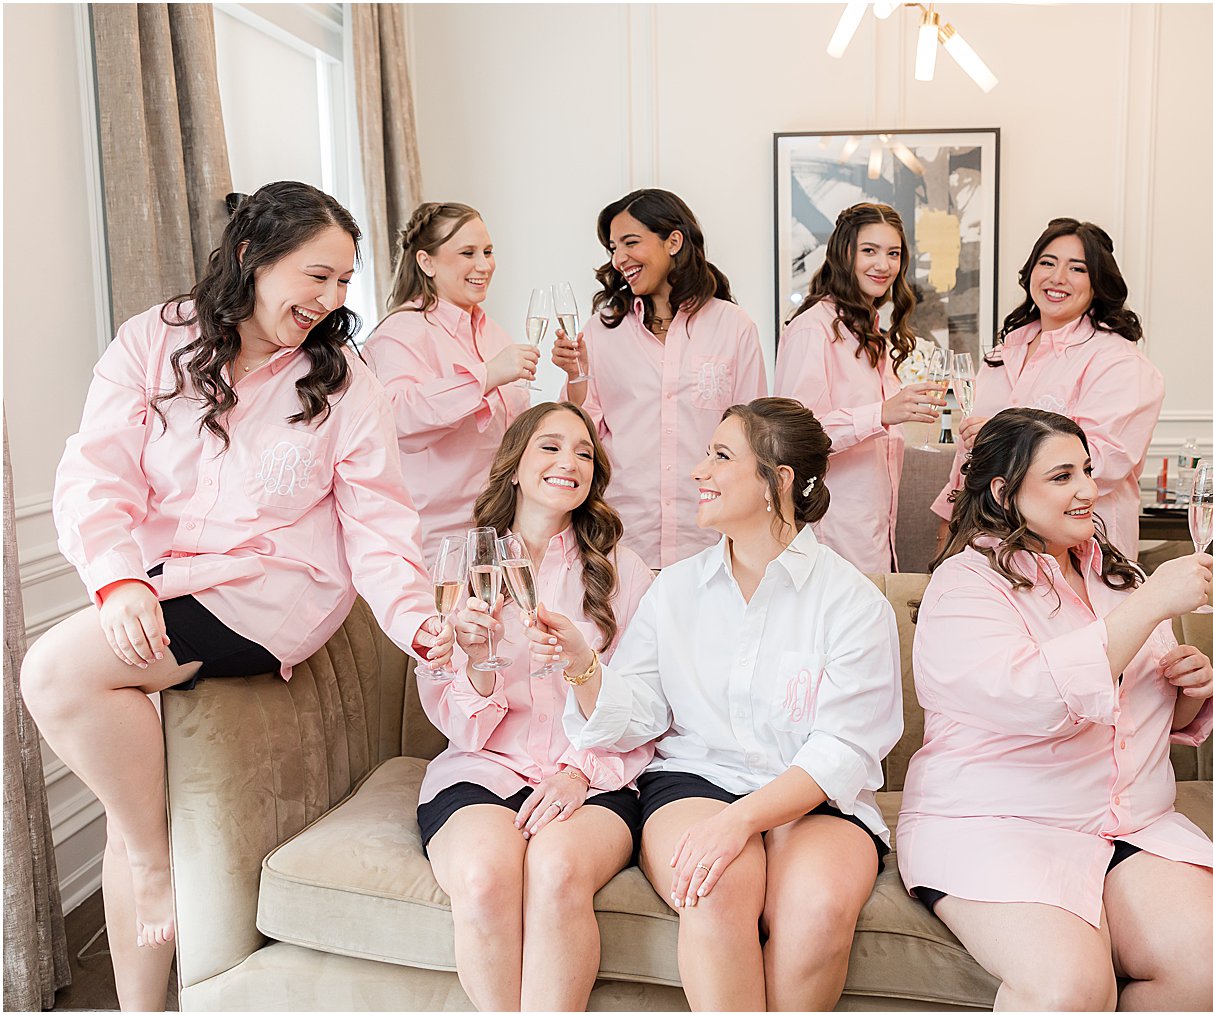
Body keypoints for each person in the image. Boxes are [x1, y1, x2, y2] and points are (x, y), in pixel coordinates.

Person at [20, 181, 452, 1012]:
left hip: (272, 591)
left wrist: (424, 628)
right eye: (316, 276)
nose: (330, 301)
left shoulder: (345, 381)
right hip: (160, 578)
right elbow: (95, 472)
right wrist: (114, 580)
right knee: (125, 804)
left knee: (56, 671)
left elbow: (380, 528)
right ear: (253, 255)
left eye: (343, 283)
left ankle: (154, 860)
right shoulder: (156, 340)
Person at [547, 397, 903, 1010]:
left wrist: (740, 820)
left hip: (811, 799)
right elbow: (638, 713)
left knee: (815, 913)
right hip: (697, 781)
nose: (698, 471)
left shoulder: (853, 603)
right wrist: (584, 664)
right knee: (711, 891)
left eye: (719, 455)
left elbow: (842, 750)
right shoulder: (676, 589)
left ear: (778, 480)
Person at [898, 407, 1213, 1011]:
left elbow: (1140, 709)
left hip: (1127, 821)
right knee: (1070, 989)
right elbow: (1037, 700)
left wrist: (1188, 686)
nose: (1088, 489)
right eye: (1062, 476)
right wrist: (1149, 608)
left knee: (1211, 957)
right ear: (1006, 493)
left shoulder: (1116, 575)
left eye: (1087, 470)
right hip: (998, 822)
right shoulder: (966, 586)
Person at [417, 401, 654, 1011]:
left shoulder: (624, 572)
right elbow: (454, 718)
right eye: (550, 446)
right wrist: (474, 660)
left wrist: (582, 772)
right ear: (515, 467)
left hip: (595, 778)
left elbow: (651, 705)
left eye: (583, 452)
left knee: (555, 872)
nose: (569, 462)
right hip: (485, 767)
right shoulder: (462, 569)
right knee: (484, 878)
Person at [550, 188, 767, 568]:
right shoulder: (601, 331)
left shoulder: (733, 327)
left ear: (673, 241)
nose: (619, 259)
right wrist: (576, 376)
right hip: (623, 540)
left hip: (709, 542)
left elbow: (754, 438)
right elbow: (581, 434)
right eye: (613, 248)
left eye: (630, 243)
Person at [933, 218, 1163, 559]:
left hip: (1076, 551)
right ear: (1031, 272)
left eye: (1077, 268)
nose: (1057, 278)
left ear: (1098, 282)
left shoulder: (1120, 364)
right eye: (1047, 263)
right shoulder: (1003, 352)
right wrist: (950, 523)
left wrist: (1005, 443)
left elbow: (1102, 465)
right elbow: (969, 457)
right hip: (985, 545)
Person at [775, 202, 944, 573]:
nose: (883, 265)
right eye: (869, 250)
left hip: (874, 532)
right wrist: (882, 414)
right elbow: (793, 438)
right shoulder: (812, 328)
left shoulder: (872, 334)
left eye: (893, 253)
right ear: (844, 254)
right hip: (831, 532)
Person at [363, 202, 536, 561]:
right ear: (427, 262)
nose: (484, 265)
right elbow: (397, 418)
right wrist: (485, 377)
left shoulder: (494, 334)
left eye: (488, 252)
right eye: (467, 253)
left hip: (498, 533)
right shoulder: (401, 332)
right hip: (435, 542)